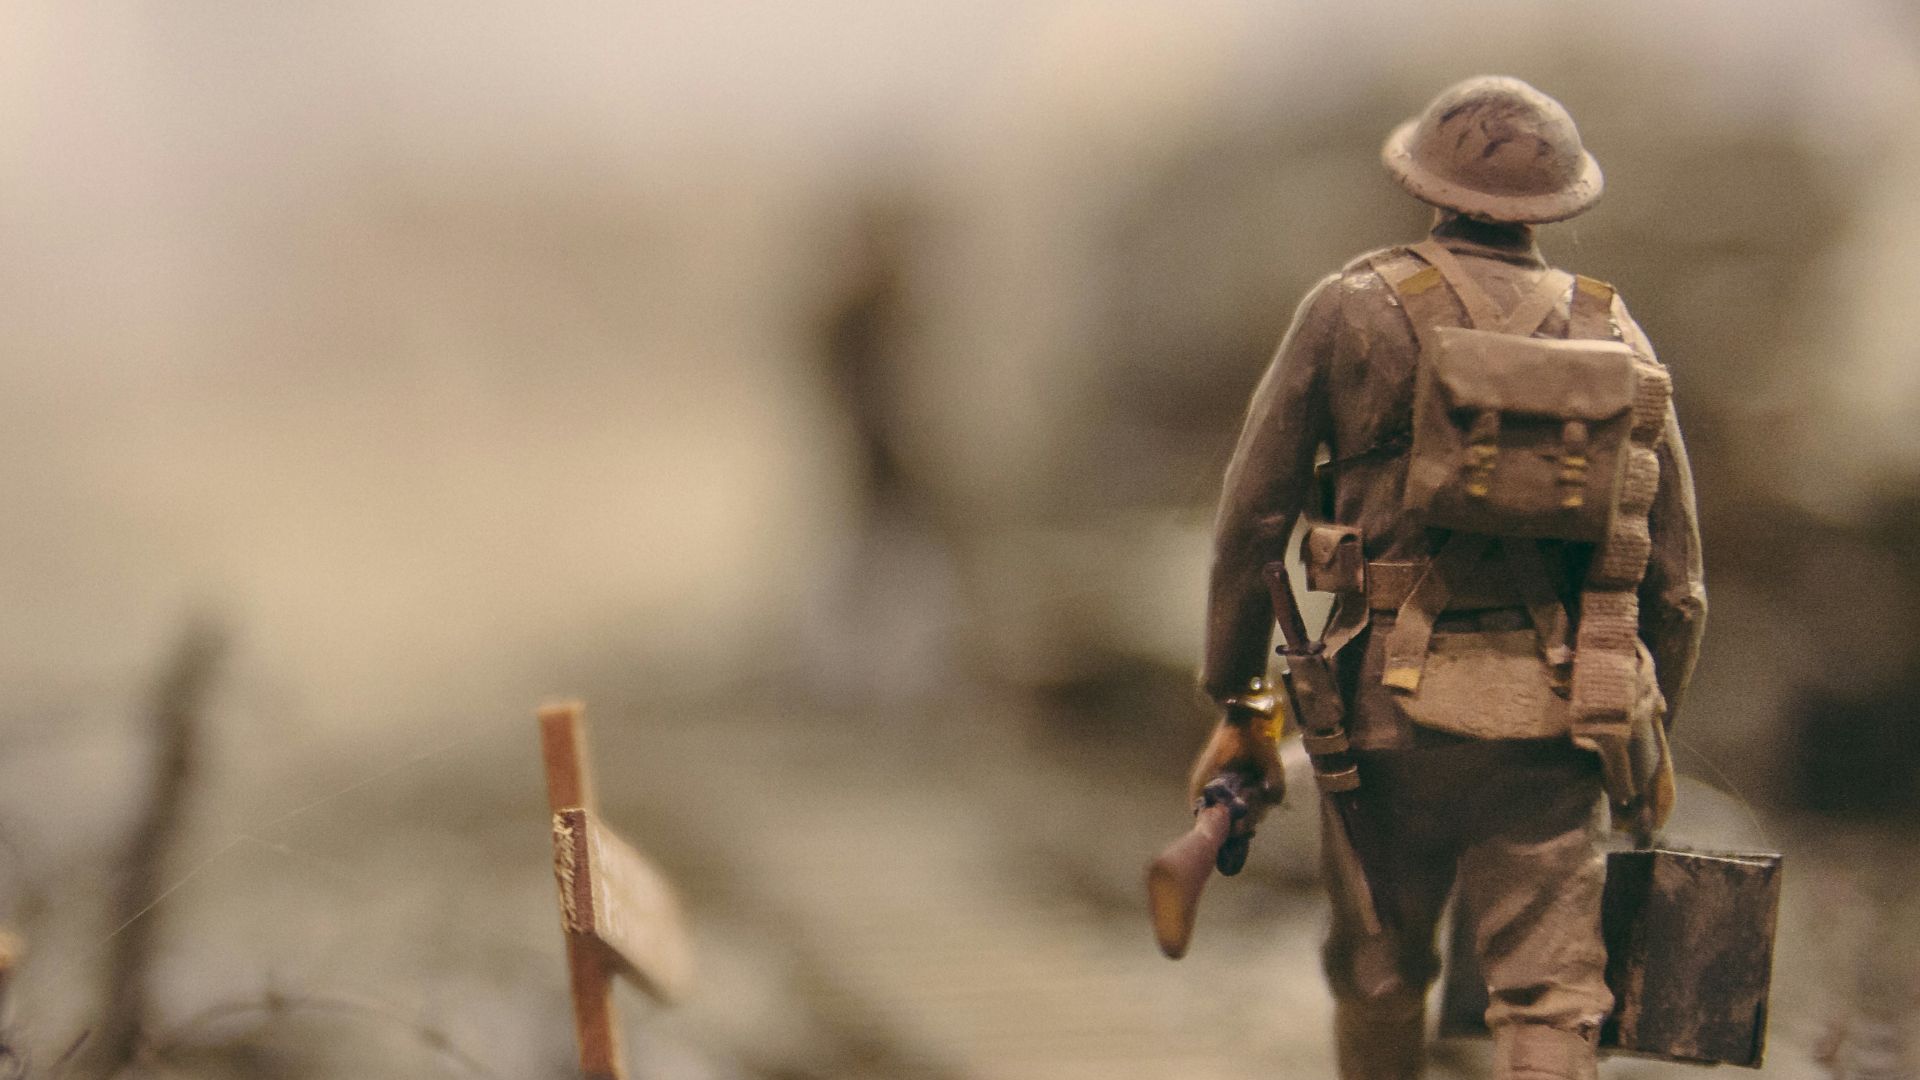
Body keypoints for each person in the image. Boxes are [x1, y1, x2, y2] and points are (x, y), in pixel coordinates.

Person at [1188, 76, 1707, 1080]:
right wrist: (1646, 737)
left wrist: (1241, 699)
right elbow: (1677, 584)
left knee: (1379, 968)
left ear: (1422, 180)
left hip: (1382, 714)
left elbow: (1249, 525)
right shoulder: (1613, 331)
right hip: (1559, 719)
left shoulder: (1351, 309)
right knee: (1552, 997)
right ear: (1561, 200)